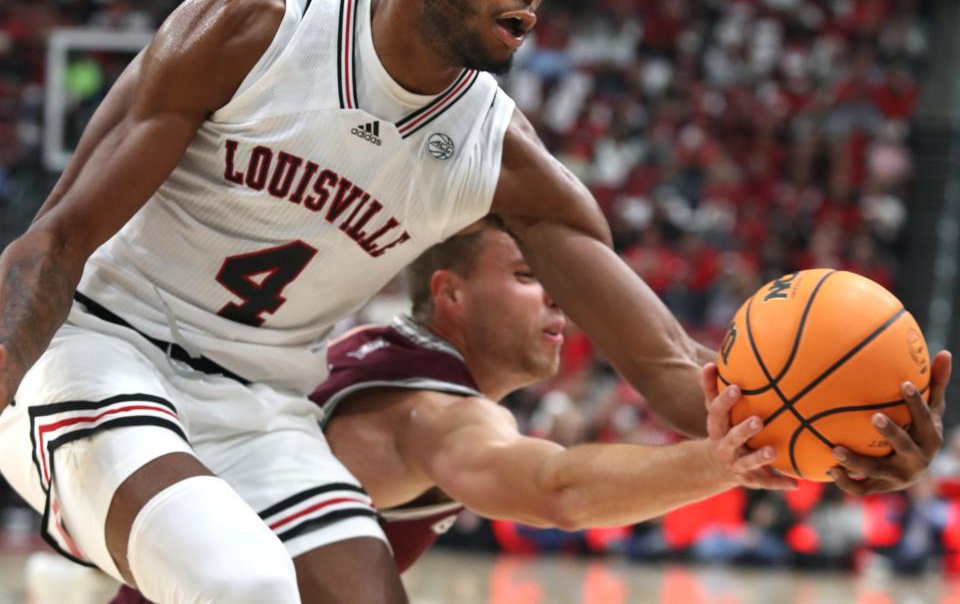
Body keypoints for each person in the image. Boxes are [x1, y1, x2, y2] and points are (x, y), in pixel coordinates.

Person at [0, 0, 947, 604]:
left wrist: (829, 440)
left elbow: (678, 375)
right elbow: (58, 240)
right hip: (102, 349)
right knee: (239, 580)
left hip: (258, 404)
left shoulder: (505, 160)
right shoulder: (254, 29)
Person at [106, 219, 784, 604]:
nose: (556, 299)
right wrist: (726, 461)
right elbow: (560, 491)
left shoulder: (371, 348)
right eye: (525, 276)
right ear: (449, 293)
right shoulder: (429, 410)